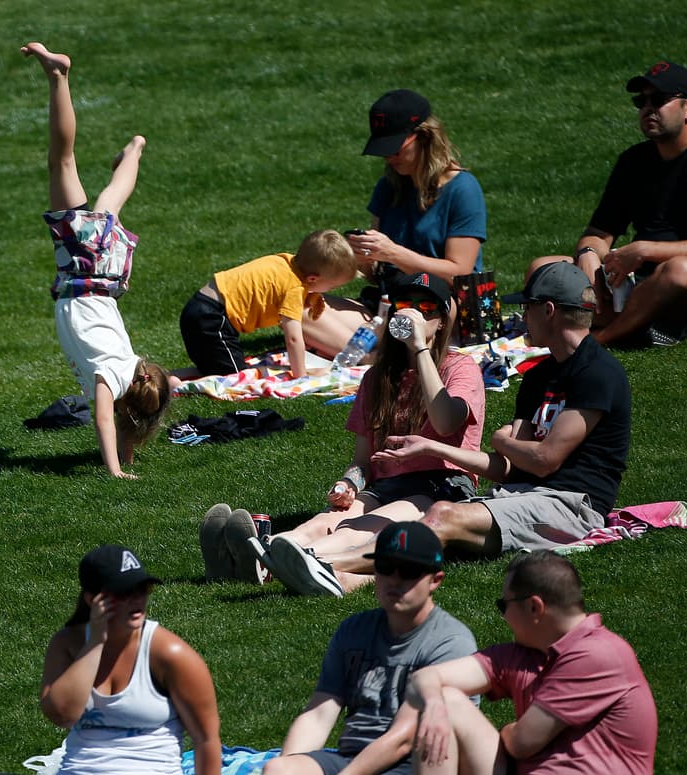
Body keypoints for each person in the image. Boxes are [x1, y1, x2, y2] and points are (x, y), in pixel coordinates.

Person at [217, 273, 484, 595]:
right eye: (405, 305)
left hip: (440, 485)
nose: (413, 313)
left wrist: (420, 348)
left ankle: (276, 562)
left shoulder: (459, 367)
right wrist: (350, 483)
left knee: (357, 529)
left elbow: (445, 423)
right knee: (320, 523)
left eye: (426, 308)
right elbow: (362, 460)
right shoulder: (377, 378)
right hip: (387, 485)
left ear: (441, 322)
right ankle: (254, 554)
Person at [365, 262, 631, 564]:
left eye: (527, 308)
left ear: (548, 310)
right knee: (428, 520)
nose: (522, 317)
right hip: (523, 493)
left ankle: (334, 567)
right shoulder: (538, 377)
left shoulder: (597, 372)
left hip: (572, 506)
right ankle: (337, 571)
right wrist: (432, 447)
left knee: (441, 515)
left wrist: (501, 440)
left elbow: (544, 461)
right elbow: (510, 467)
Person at [21, 42, 171, 479]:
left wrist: (127, 453)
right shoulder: (111, 377)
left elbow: (122, 421)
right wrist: (115, 471)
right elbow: (105, 420)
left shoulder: (132, 366)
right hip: (83, 269)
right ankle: (58, 76)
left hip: (106, 273)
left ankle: (134, 151)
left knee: (109, 205)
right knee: (61, 161)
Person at [406, 551, 657, 774]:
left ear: (534, 607)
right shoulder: (520, 655)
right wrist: (434, 705)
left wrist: (506, 732)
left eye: (503, 605)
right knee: (445, 702)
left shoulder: (599, 653)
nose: (503, 616)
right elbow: (424, 678)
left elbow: (523, 742)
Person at [559, 61, 687, 348]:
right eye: (641, 101)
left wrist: (644, 250)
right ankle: (637, 323)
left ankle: (602, 338)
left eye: (659, 100)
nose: (648, 108)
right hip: (643, 280)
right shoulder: (633, 162)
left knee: (679, 270)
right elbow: (599, 233)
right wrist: (588, 253)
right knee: (551, 267)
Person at [262, 522, 477, 775]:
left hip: (417, 765)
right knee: (280, 769)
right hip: (351, 759)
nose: (394, 580)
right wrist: (290, 760)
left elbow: (405, 739)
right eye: (385, 568)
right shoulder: (354, 630)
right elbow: (319, 713)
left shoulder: (450, 642)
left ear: (435, 580)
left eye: (408, 571)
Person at [303, 90, 487, 355]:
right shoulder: (390, 186)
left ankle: (378, 354)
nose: (389, 157)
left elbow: (460, 272)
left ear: (424, 137)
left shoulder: (462, 189)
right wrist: (363, 257)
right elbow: (375, 270)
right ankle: (381, 356)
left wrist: (393, 253)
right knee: (298, 304)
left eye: (395, 148)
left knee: (408, 321)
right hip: (389, 304)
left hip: (439, 309)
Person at [40, 544, 221, 775]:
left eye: (142, 589)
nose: (136, 600)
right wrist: (95, 643)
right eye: (123, 592)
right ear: (92, 599)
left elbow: (206, 739)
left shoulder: (171, 655)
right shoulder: (67, 644)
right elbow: (62, 715)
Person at [176, 229, 356, 380]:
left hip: (202, 308)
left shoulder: (285, 261)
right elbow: (293, 339)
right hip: (213, 319)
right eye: (332, 286)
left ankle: (168, 378)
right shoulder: (293, 288)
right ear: (313, 278)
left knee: (216, 368)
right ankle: (174, 385)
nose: (331, 290)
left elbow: (273, 286)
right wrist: (301, 377)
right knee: (235, 378)